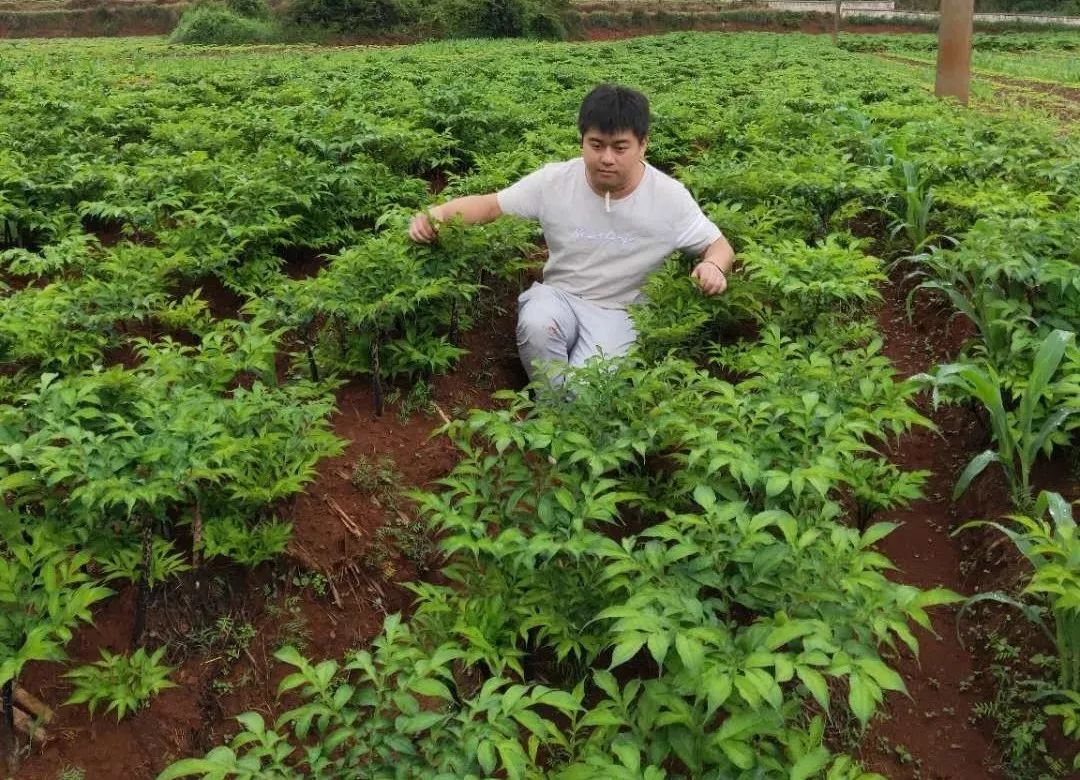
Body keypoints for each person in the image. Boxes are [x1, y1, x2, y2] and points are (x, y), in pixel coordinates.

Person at [407, 83, 734, 384]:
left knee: (587, 387)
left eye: (620, 147)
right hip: (560, 297)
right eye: (596, 145)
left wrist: (713, 266)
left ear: (643, 145)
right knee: (536, 325)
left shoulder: (669, 198)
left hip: (620, 313)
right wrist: (436, 215)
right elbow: (492, 205)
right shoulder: (555, 182)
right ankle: (553, 416)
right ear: (582, 141)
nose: (606, 158)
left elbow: (718, 245)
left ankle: (556, 421)